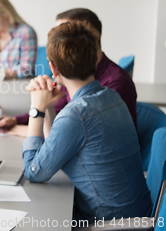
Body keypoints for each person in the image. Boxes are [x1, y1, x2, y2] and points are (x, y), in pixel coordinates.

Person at [22, 20, 151, 222]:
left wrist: (36, 109)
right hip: (137, 216)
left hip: (108, 223)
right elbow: (53, 149)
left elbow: (34, 171)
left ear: (53, 68)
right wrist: (46, 105)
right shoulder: (111, 97)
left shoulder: (76, 115)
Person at [0, 8, 137, 133]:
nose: (57, 40)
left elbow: (75, 135)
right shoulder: (75, 73)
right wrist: (16, 120)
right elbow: (58, 107)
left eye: (64, 32)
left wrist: (21, 130)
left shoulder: (116, 83)